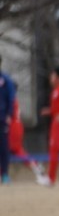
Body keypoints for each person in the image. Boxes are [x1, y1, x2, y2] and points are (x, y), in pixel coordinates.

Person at [7, 99, 49, 185]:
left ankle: (37, 168)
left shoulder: (9, 100)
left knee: (16, 151)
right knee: (12, 151)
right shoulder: (10, 99)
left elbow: (6, 116)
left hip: (13, 128)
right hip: (15, 127)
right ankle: (37, 167)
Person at [0, 56, 14, 185]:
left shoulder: (6, 80)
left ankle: (4, 174)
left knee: (4, 147)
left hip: (2, 118)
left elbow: (11, 98)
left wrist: (10, 114)